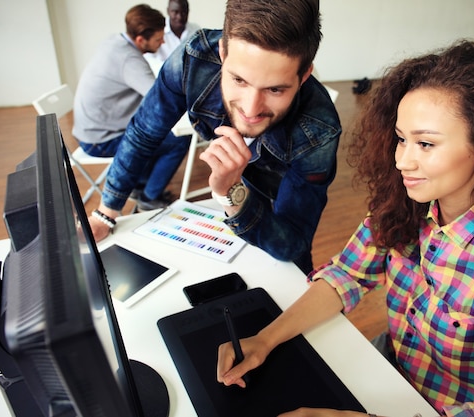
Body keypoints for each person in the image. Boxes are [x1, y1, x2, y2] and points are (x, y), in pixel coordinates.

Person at [216, 40, 474, 417]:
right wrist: (264, 340)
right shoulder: (405, 205)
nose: (402, 161)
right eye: (401, 139)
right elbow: (346, 275)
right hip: (390, 371)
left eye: (425, 144)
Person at [89, 0, 339, 274]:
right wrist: (106, 213)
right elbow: (143, 133)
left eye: (275, 89)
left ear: (304, 76)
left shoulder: (319, 131)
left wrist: (232, 193)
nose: (250, 109)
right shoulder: (193, 58)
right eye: (239, 80)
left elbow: (291, 243)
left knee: (293, 271)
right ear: (222, 52)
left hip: (278, 199)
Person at [73, 4, 191, 211]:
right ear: (140, 40)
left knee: (154, 129)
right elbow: (161, 97)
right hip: (101, 140)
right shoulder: (129, 60)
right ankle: (149, 197)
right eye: (158, 39)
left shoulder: (114, 41)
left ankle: (139, 186)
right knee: (179, 138)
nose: (163, 41)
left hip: (89, 131)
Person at [144, 0, 201, 73]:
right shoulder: (157, 30)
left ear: (188, 11)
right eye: (175, 12)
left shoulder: (196, 30)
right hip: (163, 78)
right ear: (168, 11)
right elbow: (150, 59)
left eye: (184, 12)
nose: (179, 17)